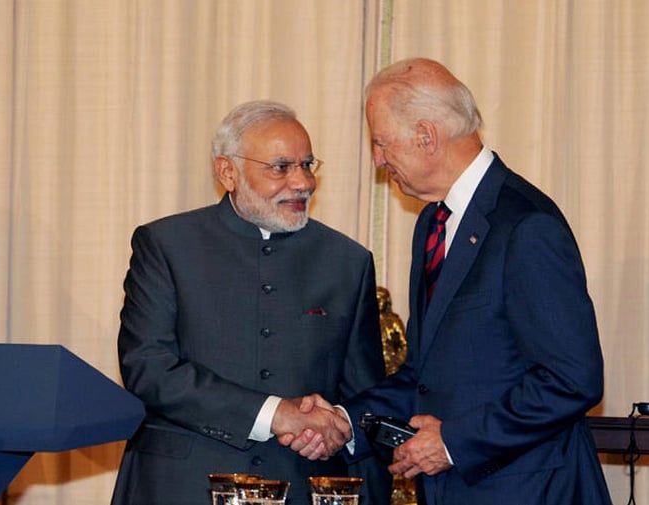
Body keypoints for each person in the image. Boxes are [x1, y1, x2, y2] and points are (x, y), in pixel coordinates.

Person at [289, 58, 613, 504]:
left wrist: (454, 442)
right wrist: (347, 420)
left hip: (530, 490)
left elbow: (572, 379)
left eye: (382, 144)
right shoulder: (433, 224)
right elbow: (424, 376)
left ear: (426, 137)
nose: (379, 161)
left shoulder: (525, 225)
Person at [111, 100, 391, 505]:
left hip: (303, 484)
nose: (302, 183)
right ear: (228, 172)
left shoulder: (347, 261)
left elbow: (366, 394)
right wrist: (276, 413)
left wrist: (339, 429)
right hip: (183, 485)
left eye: (307, 165)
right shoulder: (168, 245)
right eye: (281, 167)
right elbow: (148, 367)